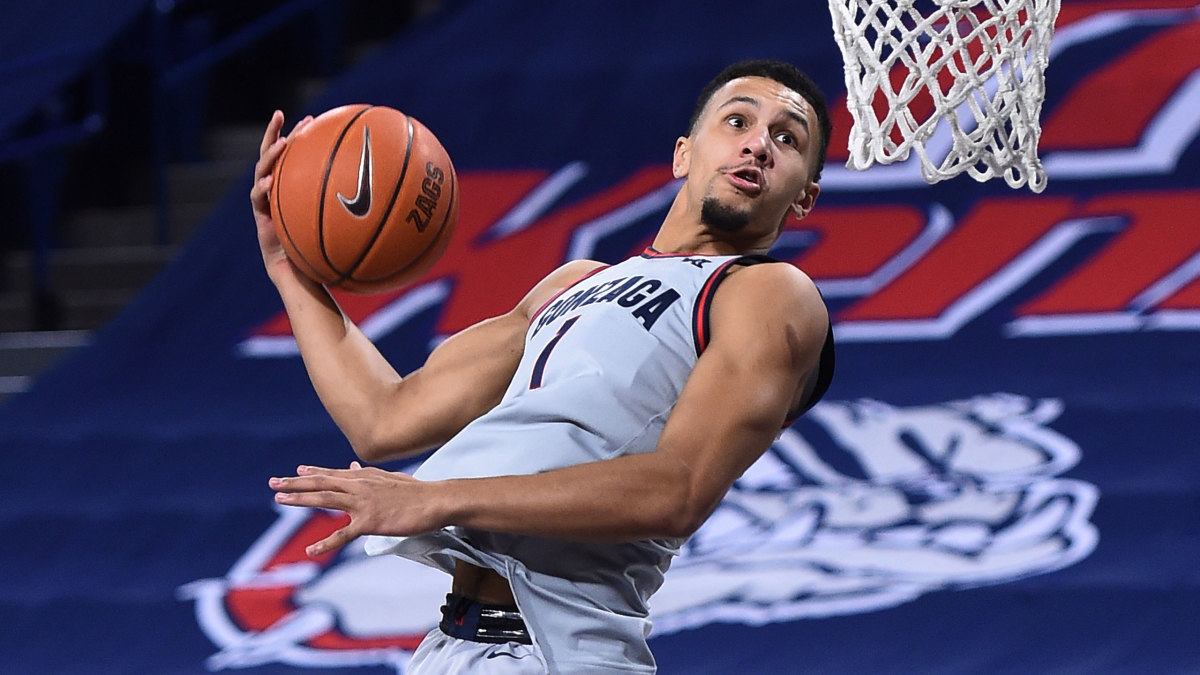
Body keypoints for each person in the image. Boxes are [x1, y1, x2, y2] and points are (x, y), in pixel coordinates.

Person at [255, 59, 835, 674]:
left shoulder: (769, 294)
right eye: (738, 120)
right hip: (451, 646)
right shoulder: (574, 283)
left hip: (561, 654)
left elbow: (677, 490)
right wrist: (289, 270)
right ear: (683, 155)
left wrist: (440, 500)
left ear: (805, 195)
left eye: (787, 138)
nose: (757, 145)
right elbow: (384, 418)